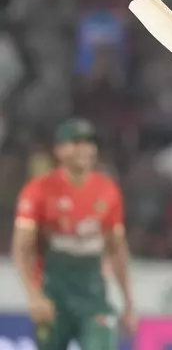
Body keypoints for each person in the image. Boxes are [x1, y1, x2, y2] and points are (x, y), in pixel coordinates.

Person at [11, 118, 135, 350]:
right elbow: (22, 248)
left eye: (89, 142)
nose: (84, 149)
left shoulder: (107, 191)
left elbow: (117, 249)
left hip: (93, 297)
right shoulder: (38, 190)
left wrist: (128, 303)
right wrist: (33, 295)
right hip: (52, 296)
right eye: (76, 142)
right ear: (59, 150)